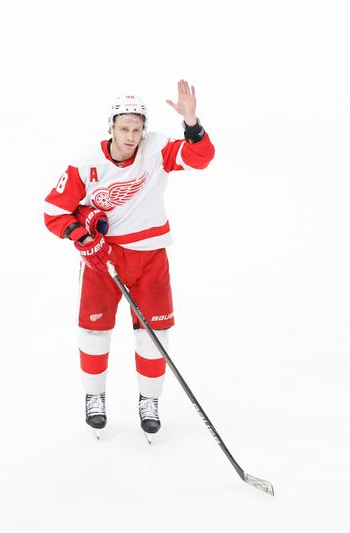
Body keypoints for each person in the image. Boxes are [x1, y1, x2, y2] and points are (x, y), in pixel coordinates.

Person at [43, 80, 216, 441]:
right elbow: (53, 211)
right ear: (111, 128)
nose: (131, 136)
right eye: (124, 128)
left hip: (150, 255)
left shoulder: (156, 149)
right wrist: (84, 238)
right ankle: (95, 396)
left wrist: (191, 121)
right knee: (94, 331)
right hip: (103, 259)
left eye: (137, 129)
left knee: (154, 335)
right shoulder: (85, 162)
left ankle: (149, 402)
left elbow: (201, 158)